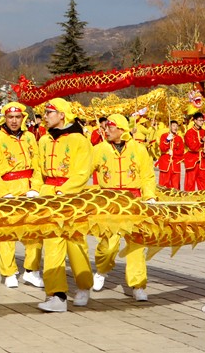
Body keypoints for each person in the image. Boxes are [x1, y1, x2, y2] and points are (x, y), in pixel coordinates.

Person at [33, 98, 93, 313]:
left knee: (76, 243)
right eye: (46, 112)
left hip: (70, 198)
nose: (45, 116)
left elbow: (82, 172)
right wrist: (36, 189)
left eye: (50, 112)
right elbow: (38, 169)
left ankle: (84, 285)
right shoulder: (44, 140)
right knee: (51, 244)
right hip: (49, 196)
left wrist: (63, 190)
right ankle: (56, 294)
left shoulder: (79, 140)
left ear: (62, 115)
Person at [92, 113, 157, 301]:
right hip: (109, 202)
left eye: (111, 127)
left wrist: (149, 196)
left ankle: (138, 284)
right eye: (106, 126)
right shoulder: (99, 149)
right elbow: (85, 170)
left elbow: (147, 175)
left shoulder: (138, 149)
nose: (106, 130)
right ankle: (102, 270)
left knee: (136, 243)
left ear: (121, 129)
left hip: (133, 201)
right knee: (108, 244)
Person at [0, 102, 43, 290]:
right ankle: (9, 271)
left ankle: (31, 270)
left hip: (28, 189)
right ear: (5, 118)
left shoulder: (30, 138)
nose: (14, 121)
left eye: (18, 117)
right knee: (7, 233)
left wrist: (36, 187)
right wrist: (3, 193)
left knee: (34, 232)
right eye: (11, 117)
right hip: (7, 188)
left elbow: (38, 165)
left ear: (23, 118)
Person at [183, 112, 205, 192]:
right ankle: (189, 198)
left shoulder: (204, 132)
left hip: (202, 160)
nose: (201, 122)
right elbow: (192, 146)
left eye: (202, 120)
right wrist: (201, 141)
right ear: (195, 120)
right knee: (190, 181)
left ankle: (204, 197)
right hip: (192, 159)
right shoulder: (189, 133)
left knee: (203, 181)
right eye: (200, 120)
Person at [157, 120, 184, 189]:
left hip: (175, 163)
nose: (175, 128)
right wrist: (167, 140)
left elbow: (181, 151)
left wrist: (174, 152)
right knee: (163, 184)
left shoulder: (179, 138)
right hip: (165, 162)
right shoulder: (164, 136)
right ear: (170, 127)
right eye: (173, 126)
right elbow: (162, 148)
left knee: (175, 185)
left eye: (177, 126)